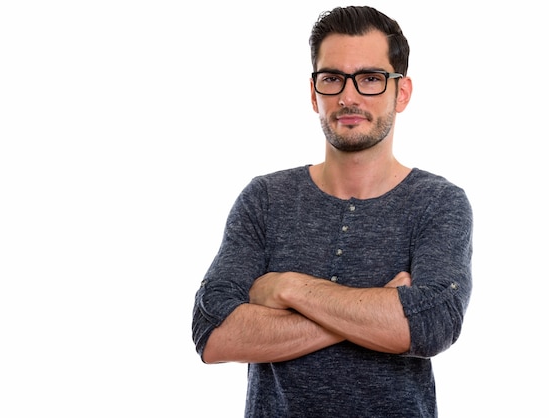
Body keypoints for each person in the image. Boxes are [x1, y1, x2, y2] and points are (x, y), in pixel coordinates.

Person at [191, 5, 473, 417]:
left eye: (371, 79)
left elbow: (433, 324)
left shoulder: (438, 202)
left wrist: (289, 289)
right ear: (313, 92)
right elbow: (212, 331)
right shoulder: (266, 198)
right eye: (332, 78)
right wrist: (381, 310)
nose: (349, 96)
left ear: (403, 92)